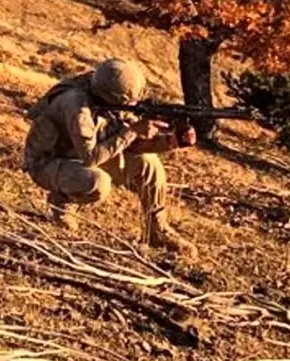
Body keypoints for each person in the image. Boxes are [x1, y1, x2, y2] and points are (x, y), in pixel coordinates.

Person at [23, 58, 196, 255]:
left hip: (82, 153)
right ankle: (62, 200)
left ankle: (157, 230)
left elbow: (129, 145)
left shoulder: (106, 97)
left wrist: (172, 141)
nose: (135, 104)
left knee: (150, 165)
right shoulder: (76, 105)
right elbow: (91, 157)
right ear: (115, 98)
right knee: (98, 182)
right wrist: (132, 131)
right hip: (48, 161)